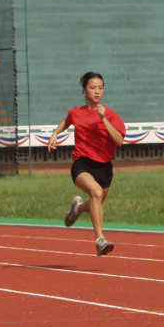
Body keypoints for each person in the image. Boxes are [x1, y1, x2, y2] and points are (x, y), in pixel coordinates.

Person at [47, 71, 125, 256]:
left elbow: (119, 141)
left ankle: (77, 209)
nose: (97, 91)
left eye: (100, 88)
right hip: (82, 165)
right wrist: (55, 134)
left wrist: (103, 119)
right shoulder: (76, 112)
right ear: (84, 90)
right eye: (92, 88)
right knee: (96, 193)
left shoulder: (111, 115)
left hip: (104, 167)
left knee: (95, 203)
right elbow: (66, 122)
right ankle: (100, 241)